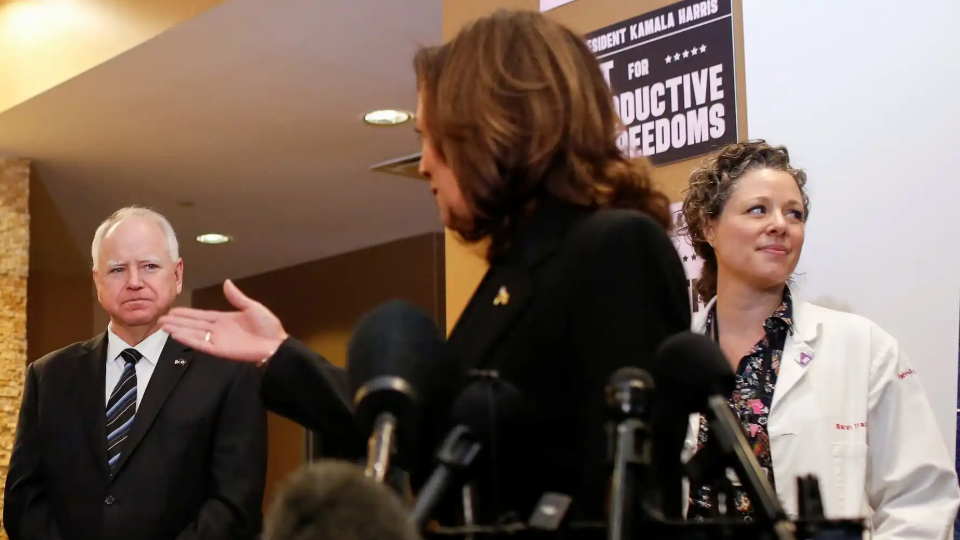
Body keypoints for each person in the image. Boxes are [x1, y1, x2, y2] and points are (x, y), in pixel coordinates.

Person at [159, 9, 691, 526]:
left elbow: (623, 493)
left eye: (428, 138)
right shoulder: (514, 272)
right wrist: (278, 356)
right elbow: (432, 435)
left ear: (489, 130)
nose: (425, 164)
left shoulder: (617, 249)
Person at [678, 140, 960, 537]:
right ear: (709, 226)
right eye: (758, 209)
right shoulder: (676, 354)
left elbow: (920, 500)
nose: (780, 224)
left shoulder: (864, 348)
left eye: (794, 213)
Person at [4, 207, 268, 540]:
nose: (134, 282)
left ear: (177, 274)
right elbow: (24, 500)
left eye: (149, 266)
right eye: (117, 270)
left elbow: (236, 505)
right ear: (97, 281)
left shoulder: (229, 373)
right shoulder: (49, 377)